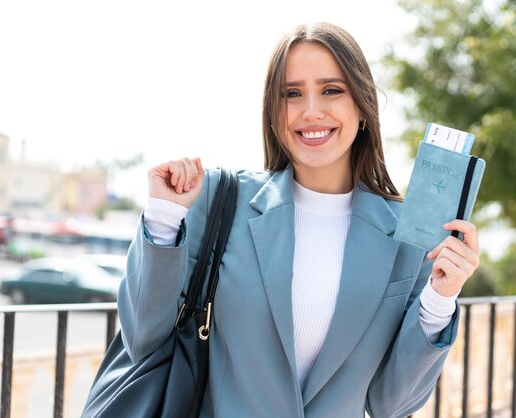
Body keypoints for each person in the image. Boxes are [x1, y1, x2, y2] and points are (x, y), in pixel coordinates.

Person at [118, 22, 480, 417]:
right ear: (273, 114)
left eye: (331, 90)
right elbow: (142, 340)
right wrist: (164, 220)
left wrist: (440, 300)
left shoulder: (409, 237)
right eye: (291, 94)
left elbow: (390, 405)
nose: (311, 111)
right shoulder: (222, 203)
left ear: (362, 108)